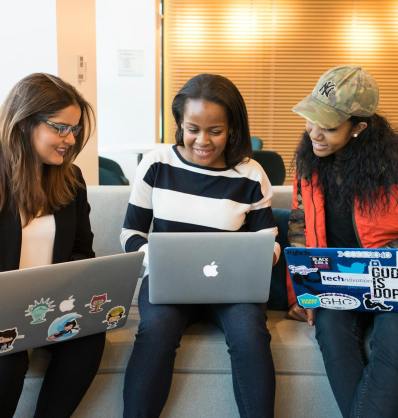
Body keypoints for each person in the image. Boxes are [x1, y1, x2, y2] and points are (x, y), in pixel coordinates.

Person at [121, 73, 280, 418]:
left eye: (215, 131)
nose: (202, 141)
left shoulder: (250, 174)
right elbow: (131, 233)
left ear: (233, 128)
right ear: (180, 124)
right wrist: (157, 259)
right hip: (169, 283)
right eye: (193, 129)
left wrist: (265, 254)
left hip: (232, 286)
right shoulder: (157, 163)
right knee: (155, 332)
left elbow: (267, 237)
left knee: (250, 335)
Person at [286, 65, 398, 418]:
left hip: (391, 286)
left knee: (392, 339)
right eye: (311, 120)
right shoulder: (307, 164)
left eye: (329, 127)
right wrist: (299, 294)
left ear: (359, 128)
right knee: (330, 330)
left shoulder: (392, 169)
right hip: (337, 284)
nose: (314, 133)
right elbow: (299, 229)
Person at [0, 73, 105, 417]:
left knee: (89, 338)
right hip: (2, 313)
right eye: (60, 128)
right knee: (9, 359)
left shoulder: (70, 179)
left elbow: (82, 253)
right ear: (25, 123)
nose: (70, 139)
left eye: (74, 130)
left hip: (50, 306)